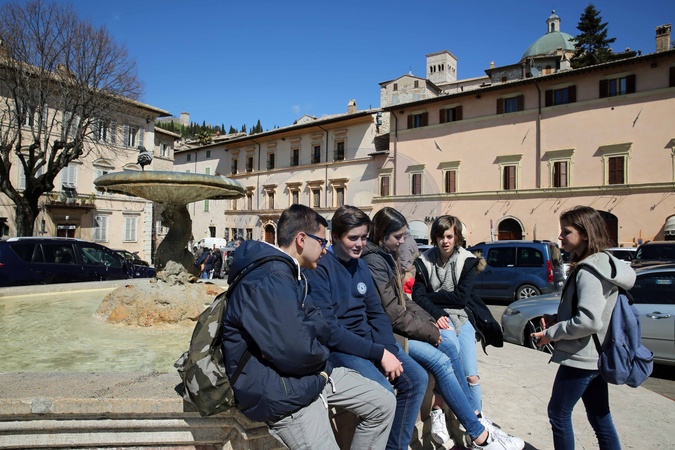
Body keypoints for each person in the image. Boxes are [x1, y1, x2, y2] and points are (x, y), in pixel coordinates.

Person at [221, 204, 395, 450]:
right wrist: (323, 358)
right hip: (281, 391)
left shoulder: (291, 273)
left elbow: (319, 325)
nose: (325, 249)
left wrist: (315, 349)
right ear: (301, 239)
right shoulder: (270, 278)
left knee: (384, 402)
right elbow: (295, 350)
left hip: (305, 375)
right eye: (322, 242)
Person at [363, 207, 524, 450]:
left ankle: (475, 421)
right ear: (382, 234)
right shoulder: (377, 260)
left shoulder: (387, 256)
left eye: (405, 235)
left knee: (451, 350)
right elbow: (396, 311)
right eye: (398, 236)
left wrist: (430, 319)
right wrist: (431, 327)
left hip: (418, 325)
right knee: (438, 360)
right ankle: (476, 429)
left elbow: (413, 301)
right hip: (389, 336)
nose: (403, 241)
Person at [305, 205, 428, 450]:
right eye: (353, 238)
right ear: (334, 237)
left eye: (364, 237)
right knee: (383, 393)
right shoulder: (321, 268)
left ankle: (395, 446)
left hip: (370, 344)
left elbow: (376, 313)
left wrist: (389, 349)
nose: (360, 244)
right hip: (342, 350)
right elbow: (331, 331)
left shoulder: (360, 265)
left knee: (417, 378)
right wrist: (379, 354)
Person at [530, 206, 636, 450]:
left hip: (581, 357)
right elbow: (589, 311)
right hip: (594, 355)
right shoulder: (602, 264)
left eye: (566, 231)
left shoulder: (589, 270)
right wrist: (558, 318)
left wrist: (549, 335)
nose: (560, 236)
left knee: (558, 413)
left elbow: (588, 321)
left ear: (585, 233)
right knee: (600, 417)